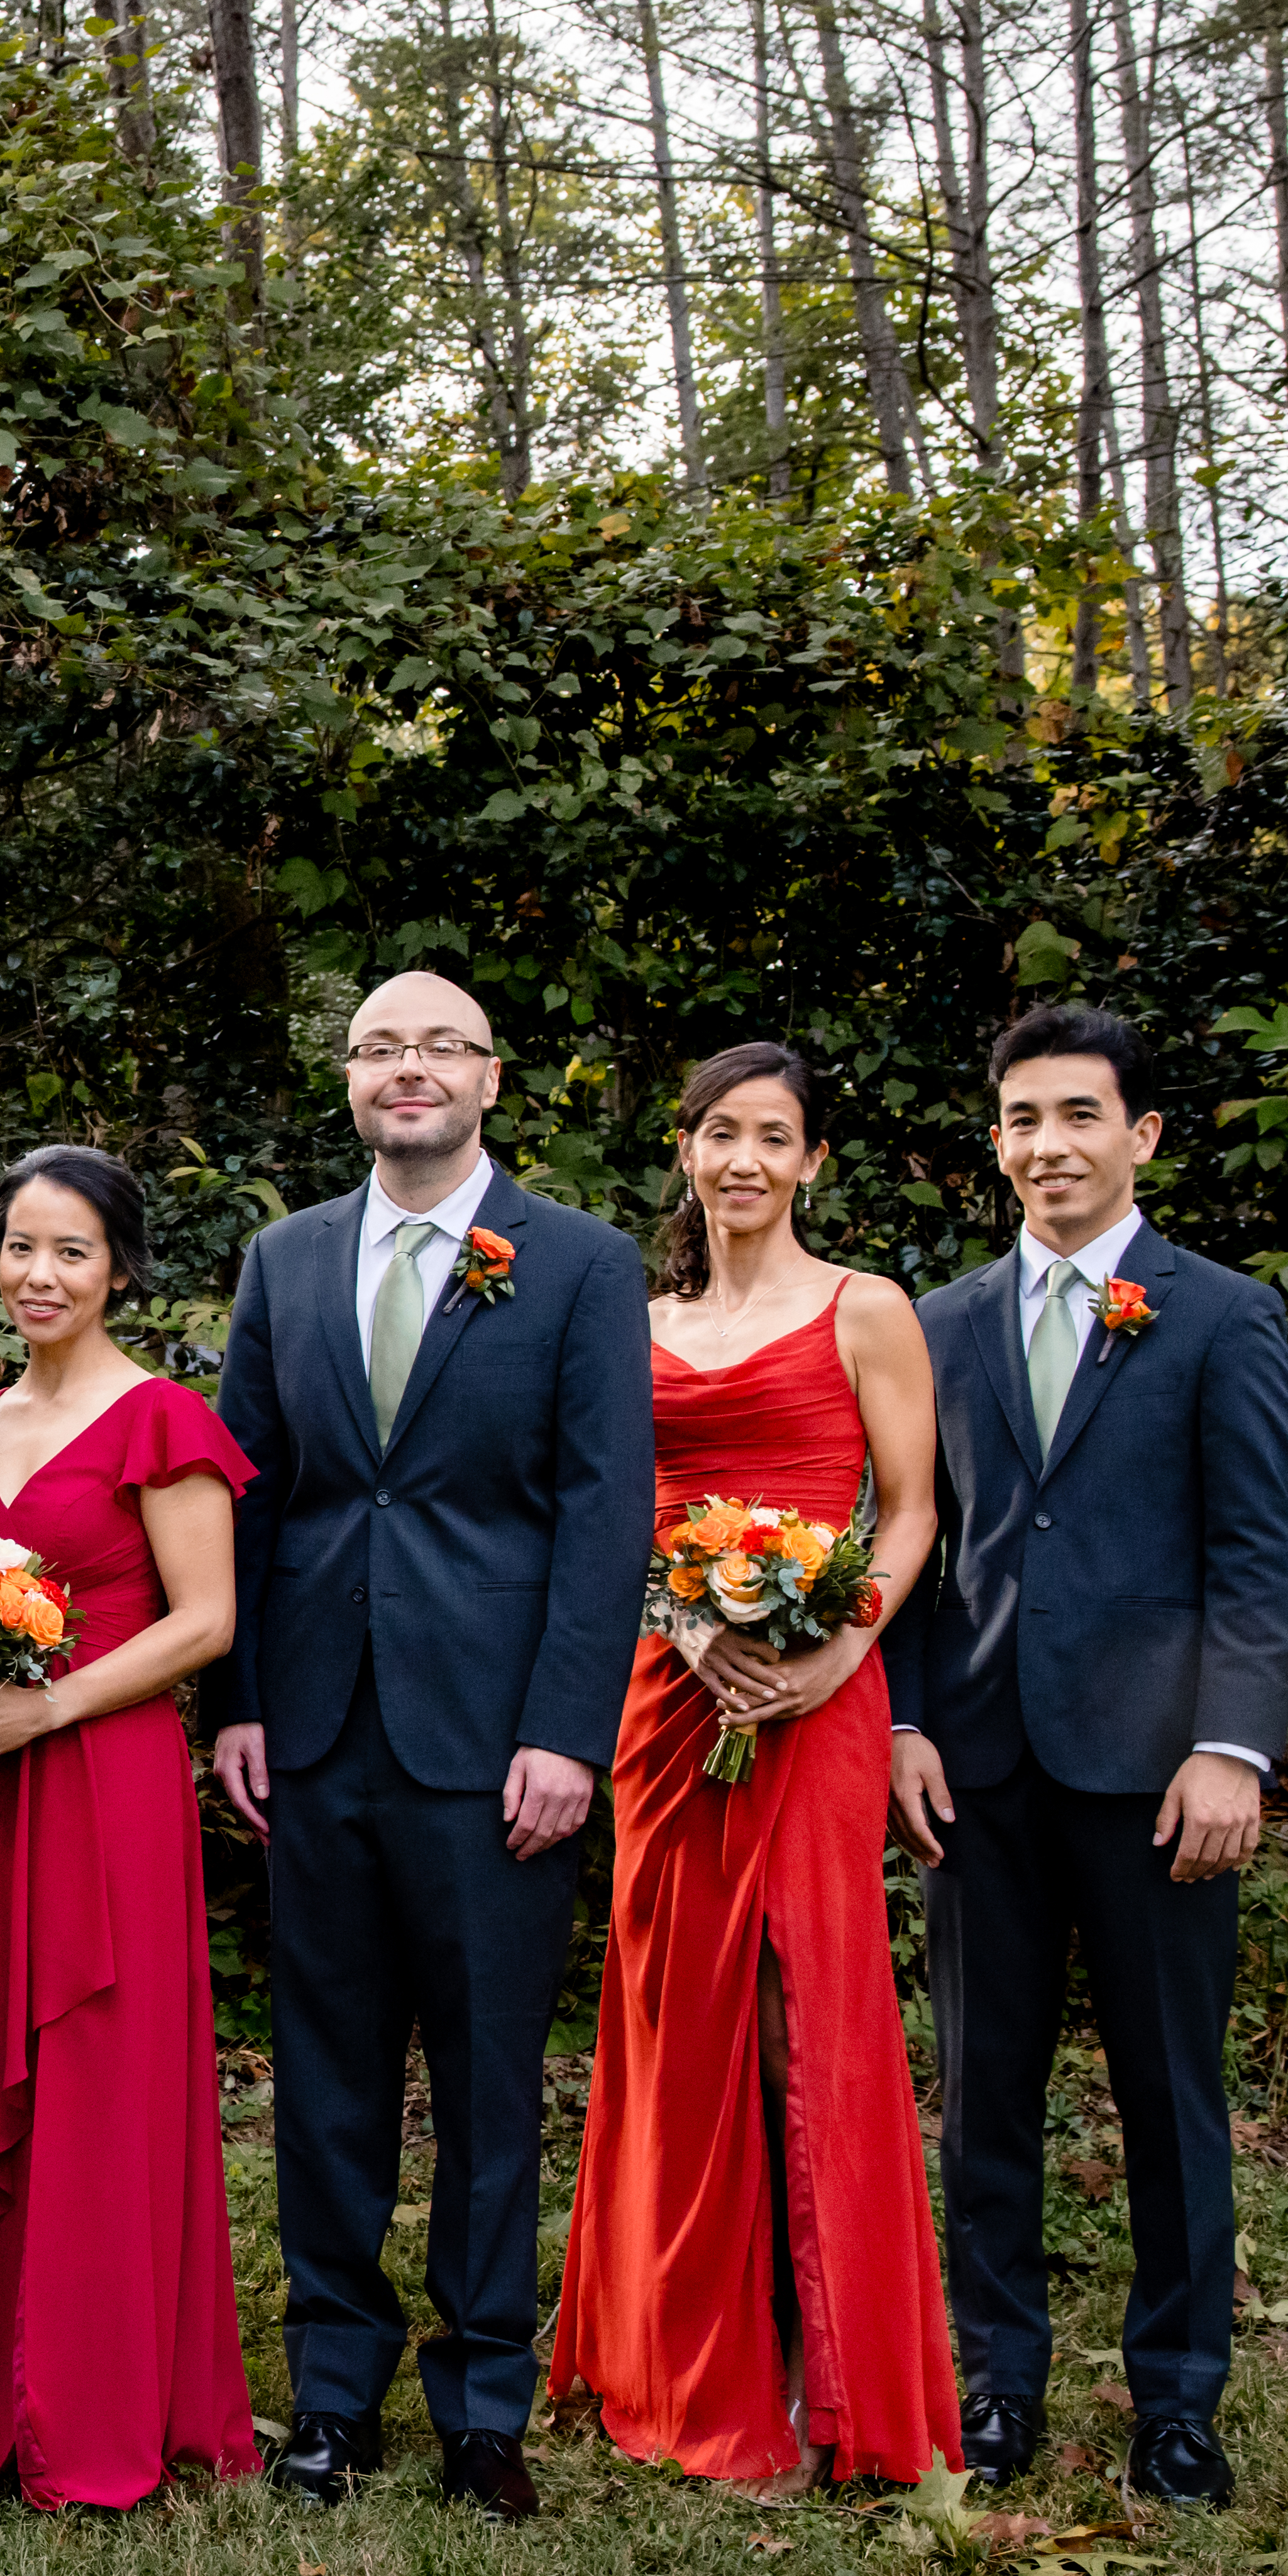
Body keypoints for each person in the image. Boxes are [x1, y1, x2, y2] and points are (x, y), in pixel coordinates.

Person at [204, 972, 652, 2523]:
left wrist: (565, 1732)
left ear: (491, 1077)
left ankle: (480, 2404)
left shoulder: (582, 1265)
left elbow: (608, 1513)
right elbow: (250, 1494)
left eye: (438, 1046)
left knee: (483, 2083)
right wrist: (242, 1698)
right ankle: (331, 2395)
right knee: (325, 2077)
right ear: (349, 1081)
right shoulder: (286, 1256)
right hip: (317, 1729)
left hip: (493, 1744)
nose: (408, 1068)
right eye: (379, 1047)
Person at [886, 1006, 1288, 2507]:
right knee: (981, 2091)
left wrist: (1229, 1747)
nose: (1045, 1144)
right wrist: (907, 1718)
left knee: (1168, 2094)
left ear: (1141, 1135)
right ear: (992, 1142)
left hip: (1154, 1778)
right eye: (1018, 1118)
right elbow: (916, 1554)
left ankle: (1178, 2398)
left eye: (1076, 1113)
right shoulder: (934, 1323)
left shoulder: (1218, 1314)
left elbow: (1257, 1555)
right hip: (978, 1775)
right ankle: (995, 2381)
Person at [548, 1045, 960, 2490]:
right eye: (718, 1130)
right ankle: (679, 2350)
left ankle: (818, 2366)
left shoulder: (868, 1310)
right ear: (684, 1149)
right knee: (679, 2006)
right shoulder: (632, 1320)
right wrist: (676, 1619)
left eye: (771, 1137)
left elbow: (908, 1511)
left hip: (818, 1687)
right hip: (667, 1697)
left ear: (809, 1162)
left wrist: (839, 1651)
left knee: (805, 2003)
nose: (742, 1159)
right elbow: (605, 1513)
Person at [0, 1148, 259, 2509]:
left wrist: (51, 1710)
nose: (40, 1274)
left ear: (121, 1268)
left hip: (106, 1785)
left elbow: (205, 1621)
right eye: (21, 1247)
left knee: (93, 2072)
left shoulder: (161, 1419)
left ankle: (89, 2397)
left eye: (71, 1251)